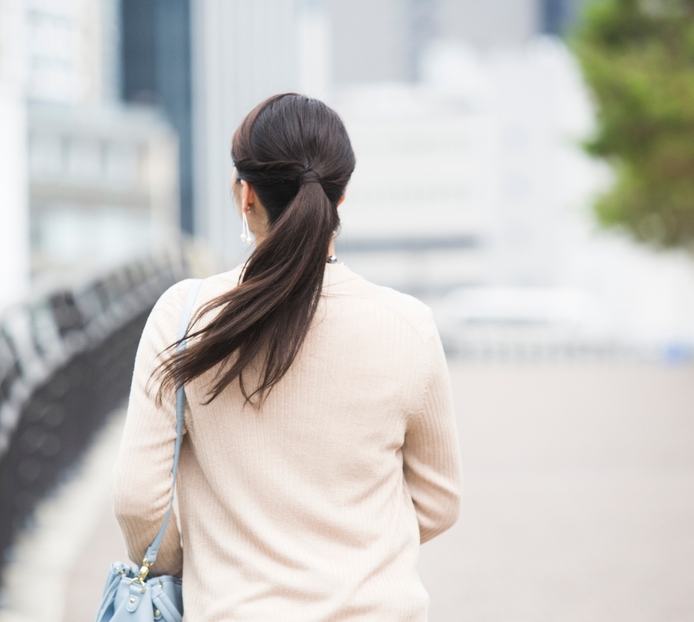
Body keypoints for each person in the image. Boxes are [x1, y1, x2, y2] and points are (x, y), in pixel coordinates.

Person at [112, 93, 461, 621]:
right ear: (340, 199)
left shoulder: (183, 316)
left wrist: (207, 566)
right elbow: (439, 502)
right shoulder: (407, 325)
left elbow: (139, 501)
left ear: (244, 195)